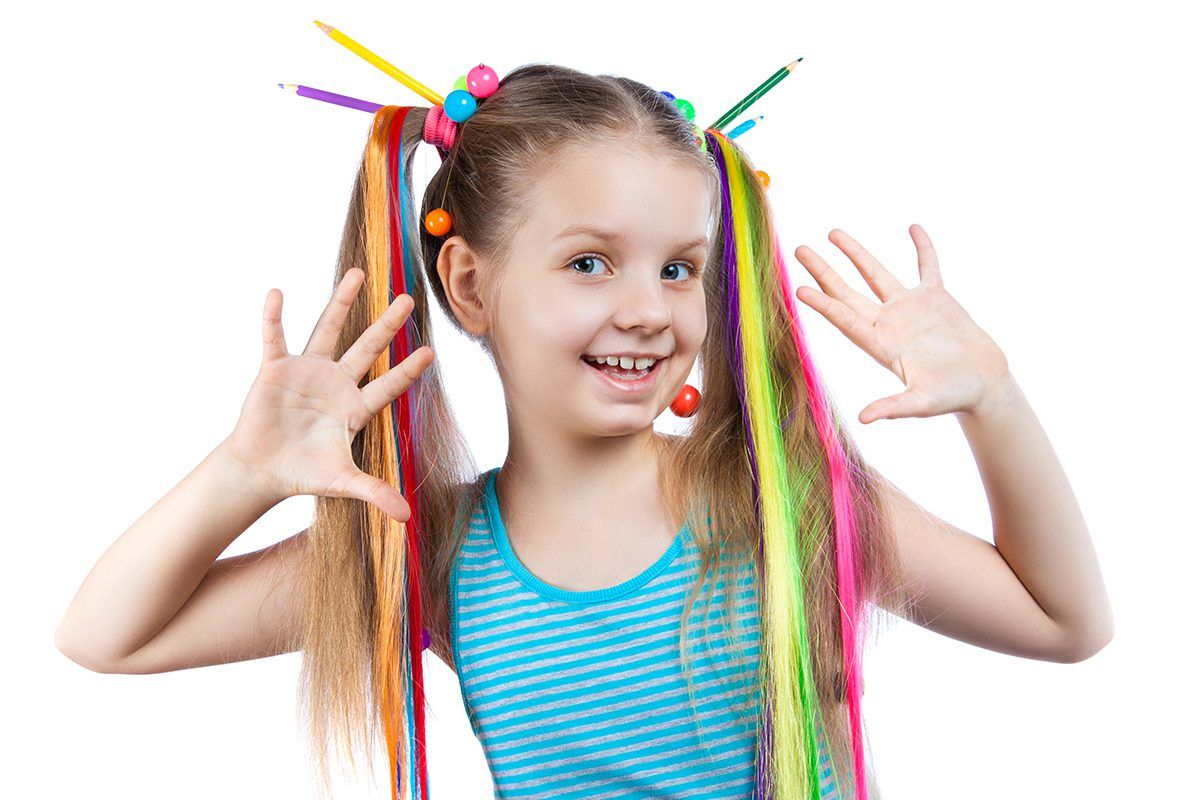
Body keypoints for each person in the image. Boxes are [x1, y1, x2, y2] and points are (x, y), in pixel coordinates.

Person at [54, 64, 1114, 800]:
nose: (650, 307)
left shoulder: (785, 502)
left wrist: (996, 400)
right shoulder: (432, 550)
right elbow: (108, 635)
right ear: (469, 283)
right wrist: (245, 472)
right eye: (590, 262)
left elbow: (1064, 622)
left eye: (679, 266)